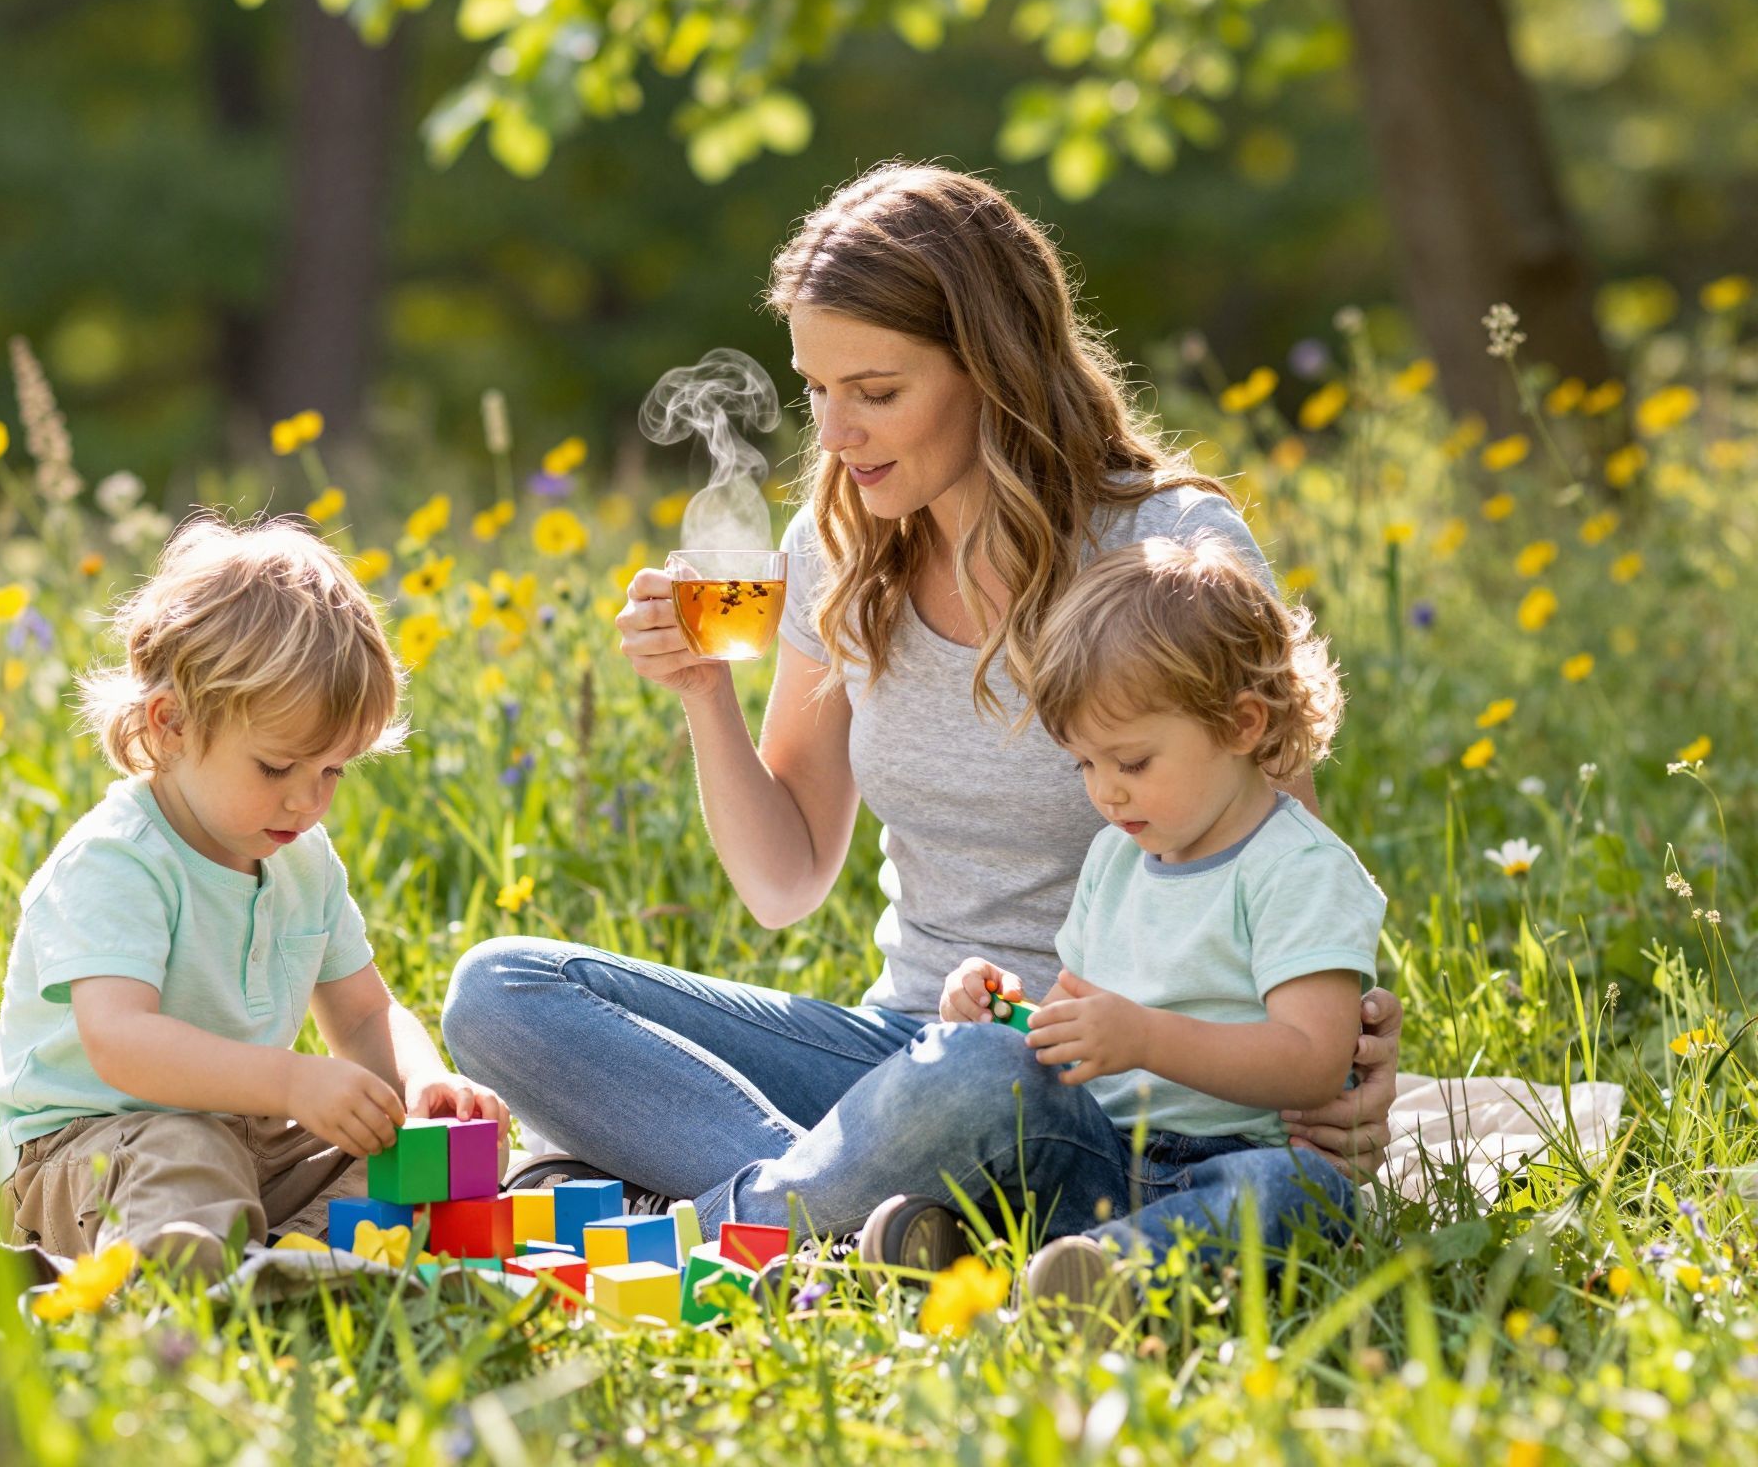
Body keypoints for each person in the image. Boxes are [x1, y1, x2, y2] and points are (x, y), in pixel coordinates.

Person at [441, 161, 1401, 1269]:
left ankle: (736, 1223)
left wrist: (1341, 1042)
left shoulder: (1166, 556)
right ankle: (874, 1206)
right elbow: (784, 882)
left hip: (1121, 1080)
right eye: (815, 389)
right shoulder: (836, 549)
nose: (834, 433)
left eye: (876, 392)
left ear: (992, 366)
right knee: (500, 992)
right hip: (912, 1054)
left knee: (987, 1078)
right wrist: (705, 696)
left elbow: (1283, 854)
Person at [0, 516, 506, 1274]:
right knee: (185, 1158)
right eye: (276, 768)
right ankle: (200, 1280)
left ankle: (293, 1261)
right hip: (80, 1151)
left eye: (332, 771)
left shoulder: (301, 858)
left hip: (242, 1135)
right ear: (171, 726)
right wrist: (290, 1080)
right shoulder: (117, 860)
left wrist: (424, 1084)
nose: (308, 802)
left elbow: (362, 1013)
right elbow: (121, 1042)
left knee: (409, 1150)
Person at [937, 535, 1382, 1310]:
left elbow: (1314, 1062)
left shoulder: (1299, 869)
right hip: (1104, 1154)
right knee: (973, 1079)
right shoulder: (1115, 859)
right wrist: (1003, 1015)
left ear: (1242, 725)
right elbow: (1072, 1028)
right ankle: (948, 1241)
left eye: (1133, 763)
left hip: (1234, 1160)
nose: (1106, 793)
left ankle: (1101, 1273)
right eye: (1085, 764)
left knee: (1301, 1193)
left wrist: (1144, 1038)